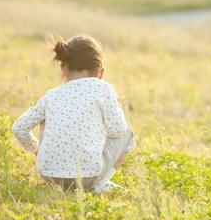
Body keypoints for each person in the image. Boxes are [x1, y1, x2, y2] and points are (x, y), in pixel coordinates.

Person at [11, 35, 135, 194]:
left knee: (46, 122)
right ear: (100, 73)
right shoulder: (103, 88)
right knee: (128, 131)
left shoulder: (51, 95)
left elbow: (19, 128)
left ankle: (60, 182)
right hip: (88, 175)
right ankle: (99, 184)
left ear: (63, 69)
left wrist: (38, 151)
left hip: (51, 176)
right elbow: (117, 130)